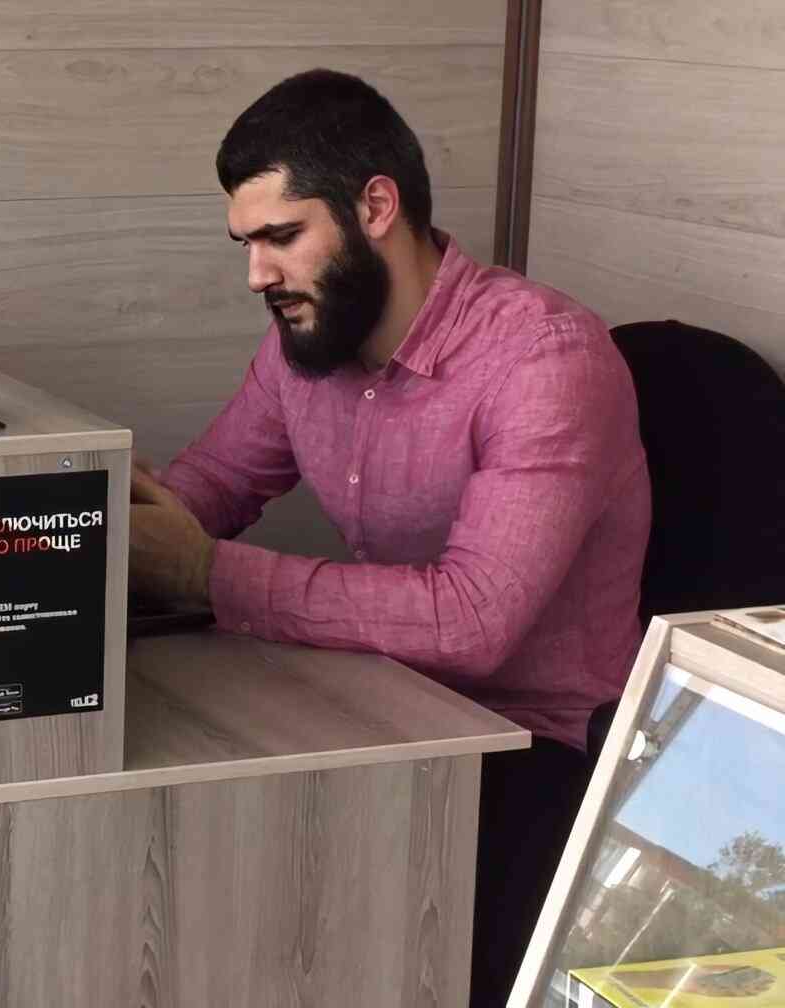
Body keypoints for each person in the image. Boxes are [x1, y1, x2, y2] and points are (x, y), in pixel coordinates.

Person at [129, 68, 650, 1006]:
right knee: (184, 859)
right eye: (247, 244)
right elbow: (217, 486)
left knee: (271, 901)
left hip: (532, 751)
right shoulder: (310, 342)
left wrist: (207, 574)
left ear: (376, 206)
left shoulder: (546, 360)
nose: (257, 276)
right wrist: (98, 520)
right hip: (384, 703)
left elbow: (471, 621)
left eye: (282, 237)